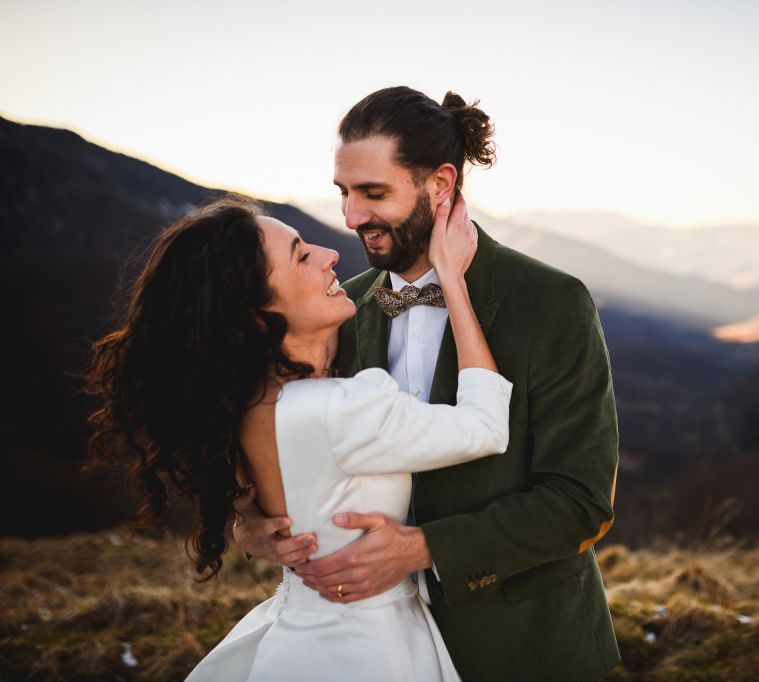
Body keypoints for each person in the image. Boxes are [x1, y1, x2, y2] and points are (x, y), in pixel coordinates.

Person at [234, 87, 621, 681]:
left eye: (373, 193)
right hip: (372, 648)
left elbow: (580, 502)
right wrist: (255, 523)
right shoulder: (343, 308)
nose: (350, 217)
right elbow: (280, 429)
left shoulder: (550, 302)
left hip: (523, 648)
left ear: (440, 185)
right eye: (344, 193)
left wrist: (424, 548)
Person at [87, 193, 512, 682]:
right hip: (368, 651)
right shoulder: (343, 407)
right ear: (256, 312)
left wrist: (247, 521)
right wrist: (452, 278)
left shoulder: (239, 404)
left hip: (298, 631)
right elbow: (484, 427)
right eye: (301, 256)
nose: (331, 254)